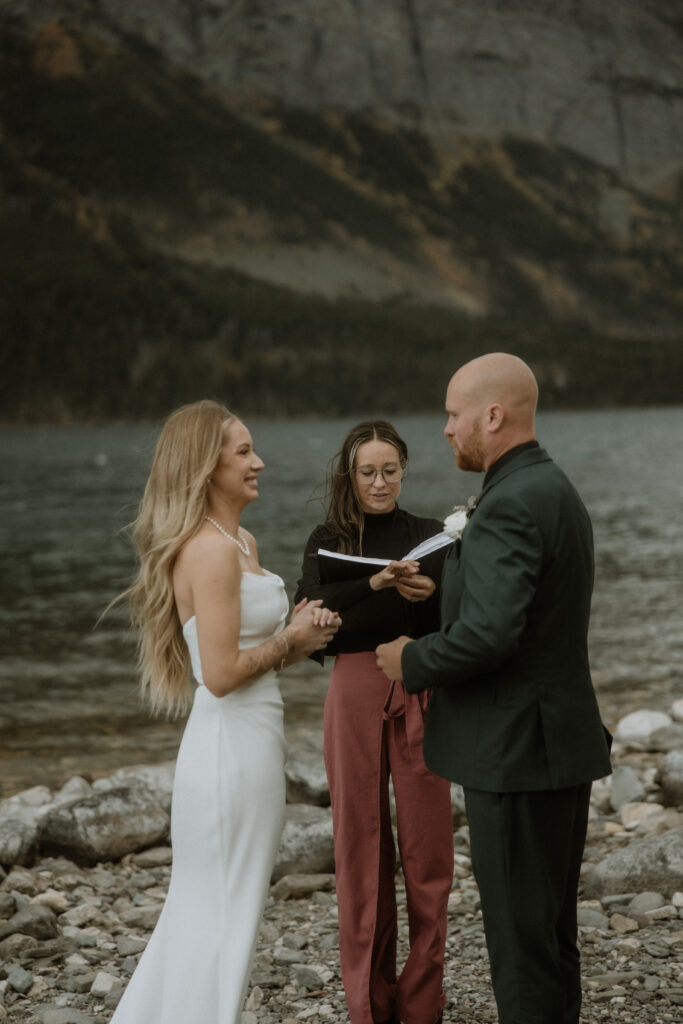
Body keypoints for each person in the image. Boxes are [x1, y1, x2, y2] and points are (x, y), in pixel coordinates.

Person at [376, 354, 613, 1024]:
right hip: (556, 743)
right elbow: (529, 612)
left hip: (514, 756)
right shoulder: (549, 486)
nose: (446, 429)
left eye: (454, 414)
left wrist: (411, 659)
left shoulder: (508, 504)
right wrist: (444, 588)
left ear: (491, 415)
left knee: (519, 947)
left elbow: (491, 636)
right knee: (549, 936)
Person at [110, 400, 341, 1024]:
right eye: (243, 451)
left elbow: (248, 659)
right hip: (225, 755)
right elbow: (218, 677)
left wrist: (298, 634)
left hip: (255, 741)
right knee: (215, 913)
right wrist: (288, 642)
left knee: (228, 910)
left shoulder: (241, 540)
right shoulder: (208, 552)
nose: (258, 461)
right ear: (206, 467)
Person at [296, 421, 454, 1024]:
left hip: (419, 683)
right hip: (353, 687)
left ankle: (422, 1003)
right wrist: (375, 582)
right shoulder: (327, 536)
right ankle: (368, 1004)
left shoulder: (430, 534)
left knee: (427, 849)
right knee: (360, 846)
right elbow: (311, 608)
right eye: (368, 472)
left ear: (404, 470)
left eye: (390, 470)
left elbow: (457, 617)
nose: (380, 482)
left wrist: (432, 590)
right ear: (351, 475)